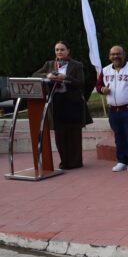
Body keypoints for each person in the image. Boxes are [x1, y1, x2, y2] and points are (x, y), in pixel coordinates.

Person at [33, 41, 91, 169]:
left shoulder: (77, 65)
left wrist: (65, 77)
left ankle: (75, 162)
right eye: (57, 50)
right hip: (56, 103)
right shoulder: (49, 64)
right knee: (60, 136)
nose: (59, 52)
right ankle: (64, 162)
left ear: (68, 51)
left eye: (62, 49)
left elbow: (81, 83)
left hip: (73, 103)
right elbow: (35, 75)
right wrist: (47, 75)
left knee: (74, 134)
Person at [96, 45, 128, 172]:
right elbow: (98, 85)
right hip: (113, 110)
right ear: (109, 56)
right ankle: (122, 161)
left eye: (118, 54)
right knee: (118, 137)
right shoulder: (105, 70)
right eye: (113, 54)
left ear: (124, 55)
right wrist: (102, 89)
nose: (115, 56)